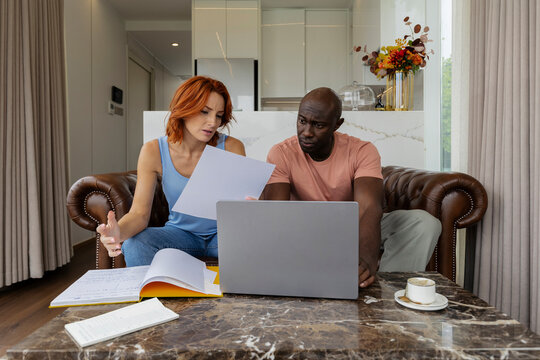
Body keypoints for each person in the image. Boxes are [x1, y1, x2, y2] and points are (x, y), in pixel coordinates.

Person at [264, 87, 441, 288]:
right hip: (305, 230)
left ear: (336, 125)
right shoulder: (281, 153)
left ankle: (388, 292)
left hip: (352, 227)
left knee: (424, 224)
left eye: (318, 125)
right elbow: (275, 212)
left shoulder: (362, 150)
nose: (306, 132)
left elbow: (368, 208)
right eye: (302, 121)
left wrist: (365, 261)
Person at [97, 76, 246, 266]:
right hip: (181, 234)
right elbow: (139, 215)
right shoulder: (153, 151)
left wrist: (248, 207)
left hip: (225, 235)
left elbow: (241, 208)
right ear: (184, 109)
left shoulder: (232, 147)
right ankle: (149, 296)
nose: (213, 122)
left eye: (218, 115)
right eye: (204, 112)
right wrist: (118, 233)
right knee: (135, 243)